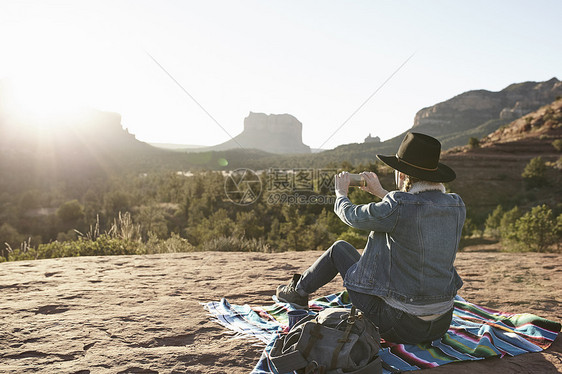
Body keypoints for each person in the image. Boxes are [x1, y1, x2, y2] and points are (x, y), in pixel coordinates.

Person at [276, 132, 466, 344]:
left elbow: (352, 216)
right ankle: (298, 291)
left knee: (339, 249)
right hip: (441, 324)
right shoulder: (456, 205)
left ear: (402, 176)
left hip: (401, 325)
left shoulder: (397, 206)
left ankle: (297, 293)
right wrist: (380, 192)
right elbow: (414, 211)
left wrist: (341, 195)